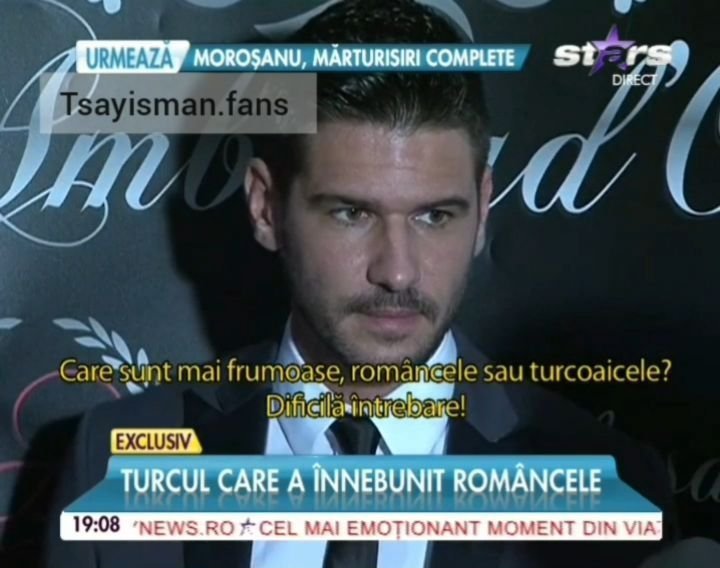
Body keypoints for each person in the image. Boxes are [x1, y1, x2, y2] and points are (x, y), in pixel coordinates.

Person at [45, 1, 679, 567]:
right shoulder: (114, 462)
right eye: (351, 213)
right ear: (265, 208)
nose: (397, 271)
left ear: (483, 210)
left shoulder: (610, 486)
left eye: (435, 216)